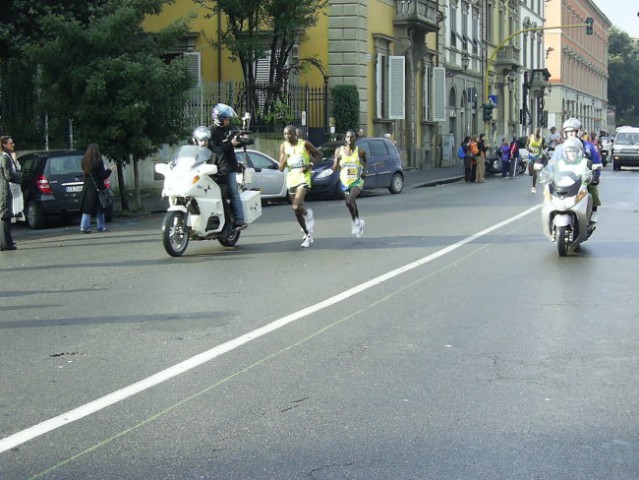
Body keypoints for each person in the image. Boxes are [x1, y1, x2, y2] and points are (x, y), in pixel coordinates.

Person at [279, 124, 321, 248]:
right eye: (285, 134)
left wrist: (310, 165)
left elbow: (319, 154)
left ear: (295, 134)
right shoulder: (283, 147)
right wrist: (284, 160)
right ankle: (308, 234)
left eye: (289, 133)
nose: (287, 136)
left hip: (304, 177)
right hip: (292, 178)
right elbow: (281, 168)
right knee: (297, 210)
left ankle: (308, 216)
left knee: (296, 205)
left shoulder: (304, 144)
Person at [552, 117, 602, 222]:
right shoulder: (560, 148)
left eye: (573, 132)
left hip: (583, 176)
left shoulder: (588, 147)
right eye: (568, 132)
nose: (571, 135)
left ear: (579, 132)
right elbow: (553, 163)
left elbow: (596, 161)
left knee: (592, 188)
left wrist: (595, 174)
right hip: (565, 177)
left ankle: (594, 211)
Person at [210, 103, 247, 231]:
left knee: (233, 191)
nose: (228, 121)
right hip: (213, 167)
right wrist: (230, 144)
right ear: (219, 119)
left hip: (229, 167)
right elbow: (218, 149)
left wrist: (243, 139)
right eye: (226, 119)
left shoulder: (229, 129)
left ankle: (239, 219)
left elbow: (237, 141)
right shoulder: (211, 132)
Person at [332, 129, 367, 237]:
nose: (349, 139)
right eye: (347, 137)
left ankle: (355, 222)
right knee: (352, 203)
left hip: (357, 181)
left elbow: (365, 162)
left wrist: (364, 171)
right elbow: (334, 168)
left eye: (352, 137)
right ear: (345, 138)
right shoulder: (339, 151)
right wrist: (337, 160)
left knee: (349, 201)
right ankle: (357, 222)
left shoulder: (360, 151)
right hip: (344, 182)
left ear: (356, 138)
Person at [79, 143, 112, 233]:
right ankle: (101, 227)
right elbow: (103, 175)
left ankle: (84, 227)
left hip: (87, 187)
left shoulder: (84, 161)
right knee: (100, 208)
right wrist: (109, 170)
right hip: (98, 187)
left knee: (87, 208)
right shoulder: (98, 161)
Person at [0, 136, 22, 250]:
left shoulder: (5, 156)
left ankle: (6, 242)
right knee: (5, 216)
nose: (13, 145)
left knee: (4, 216)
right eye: (10, 143)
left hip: (3, 189)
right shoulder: (4, 157)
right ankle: (5, 244)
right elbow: (9, 175)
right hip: (4, 190)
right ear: (4, 145)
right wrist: (20, 177)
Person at [526, 127, 546, 193]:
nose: (536, 132)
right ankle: (531, 173)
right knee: (530, 173)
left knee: (535, 171)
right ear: (534, 131)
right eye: (535, 130)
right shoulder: (529, 137)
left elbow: (544, 146)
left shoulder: (542, 139)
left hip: (538, 156)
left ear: (539, 131)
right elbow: (526, 146)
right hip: (531, 156)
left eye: (537, 131)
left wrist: (545, 145)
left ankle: (533, 187)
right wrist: (530, 150)